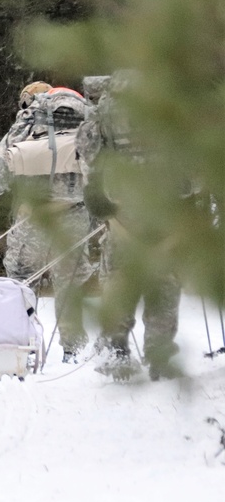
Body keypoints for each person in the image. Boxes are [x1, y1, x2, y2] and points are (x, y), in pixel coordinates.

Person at [76, 73, 184, 381]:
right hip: (164, 206)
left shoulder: (105, 110)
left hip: (121, 209)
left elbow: (87, 149)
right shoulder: (168, 107)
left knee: (118, 278)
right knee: (165, 280)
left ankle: (117, 348)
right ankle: (160, 354)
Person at [0, 82, 93, 362]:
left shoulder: (27, 124)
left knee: (21, 283)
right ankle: (73, 350)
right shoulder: (86, 125)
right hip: (75, 216)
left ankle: (21, 348)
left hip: (31, 220)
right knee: (70, 287)